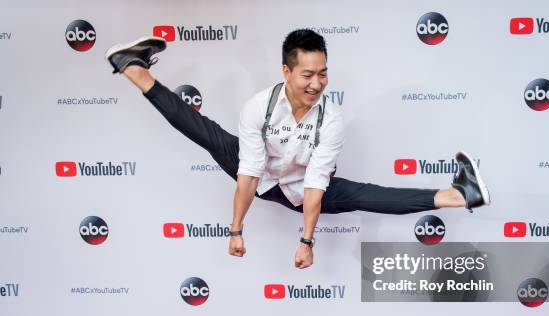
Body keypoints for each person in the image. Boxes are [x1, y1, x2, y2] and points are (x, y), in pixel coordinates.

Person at [105, 29, 490, 269]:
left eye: (323, 73)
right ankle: (135, 69)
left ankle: (459, 195)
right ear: (286, 72)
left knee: (363, 194)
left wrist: (306, 242)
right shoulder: (259, 107)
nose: (317, 82)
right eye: (307, 74)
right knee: (206, 134)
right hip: (262, 176)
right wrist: (236, 230)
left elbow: (315, 186)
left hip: (300, 188)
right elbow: (249, 172)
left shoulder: (331, 118)